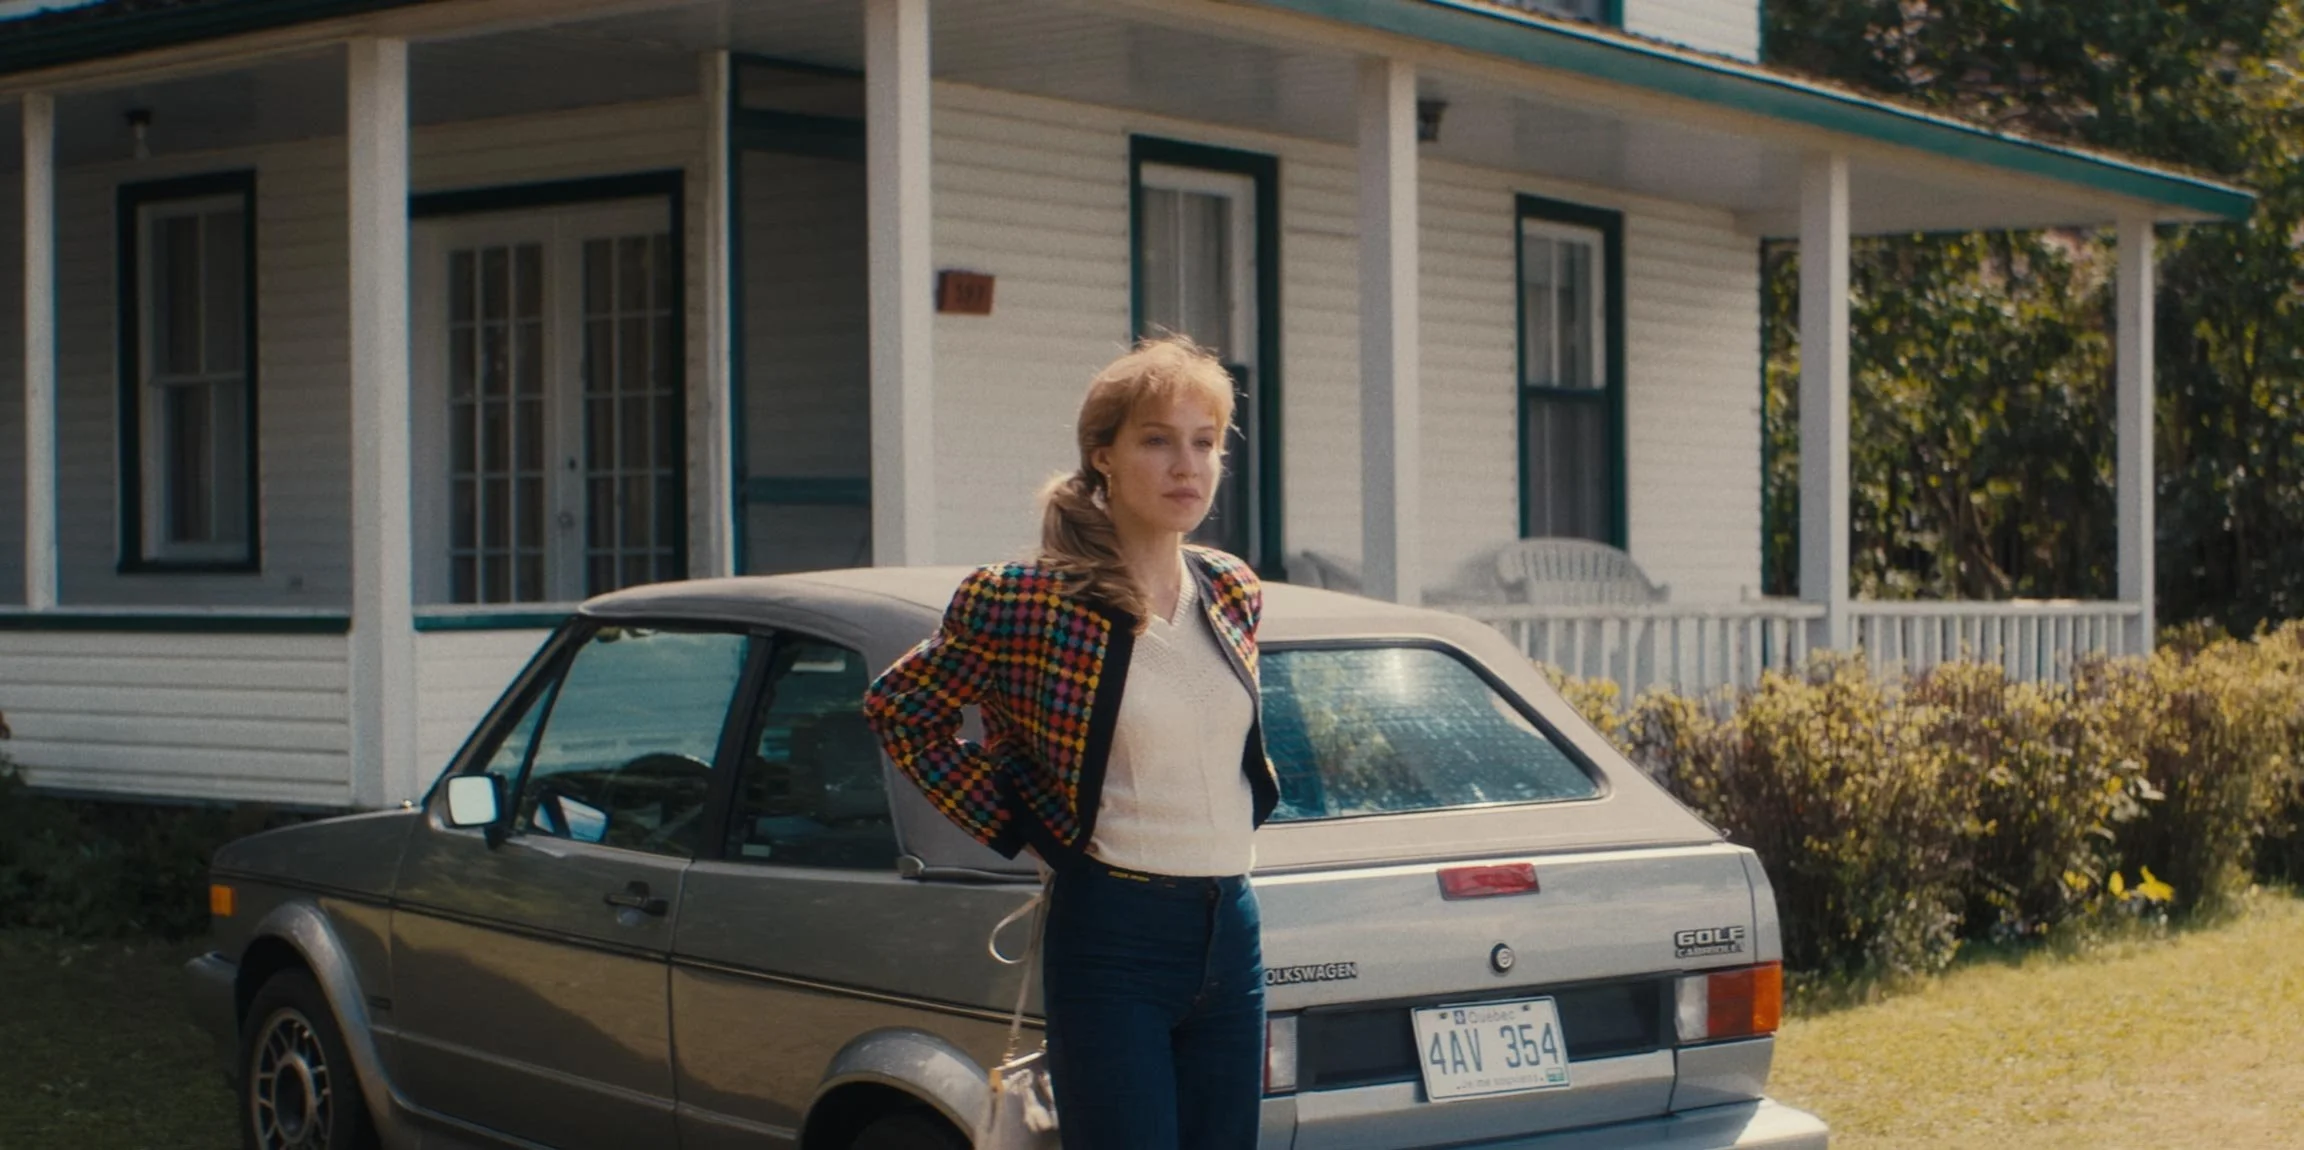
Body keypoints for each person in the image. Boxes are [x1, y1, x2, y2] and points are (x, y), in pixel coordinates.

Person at [862, 335, 1279, 1150]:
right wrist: (1025, 822)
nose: (1186, 466)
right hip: (1114, 933)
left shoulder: (1232, 588)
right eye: (1157, 440)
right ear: (1105, 457)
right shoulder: (1026, 599)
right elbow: (901, 709)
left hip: (1233, 926)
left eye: (1204, 442)